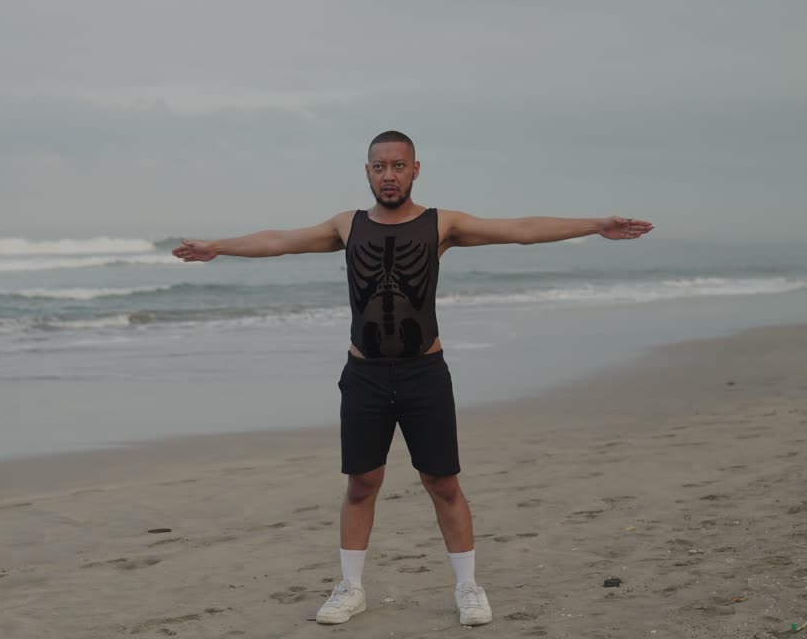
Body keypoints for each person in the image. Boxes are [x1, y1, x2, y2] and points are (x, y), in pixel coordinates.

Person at [172, 130, 654, 627]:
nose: (388, 175)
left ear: (415, 170)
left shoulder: (441, 224)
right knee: (362, 481)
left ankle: (468, 587)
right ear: (367, 172)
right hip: (364, 374)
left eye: (398, 166)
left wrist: (596, 225)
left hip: (425, 372)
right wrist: (218, 248)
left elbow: (521, 228)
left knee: (443, 482)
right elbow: (277, 239)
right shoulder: (346, 226)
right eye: (379, 167)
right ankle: (351, 587)